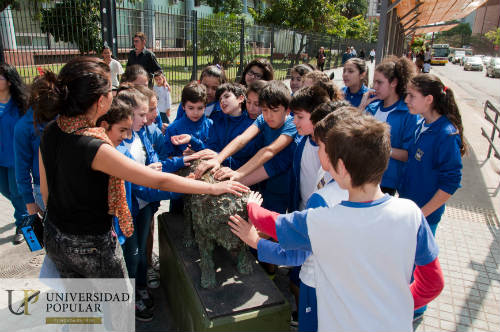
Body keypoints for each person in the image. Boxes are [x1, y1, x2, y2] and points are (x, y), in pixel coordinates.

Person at [36, 57, 248, 279]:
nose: (114, 93)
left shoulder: (52, 129)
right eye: (111, 89)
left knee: (78, 305)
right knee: (114, 307)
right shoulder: (95, 147)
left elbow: (46, 191)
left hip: (55, 234)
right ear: (100, 101)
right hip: (90, 245)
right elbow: (157, 180)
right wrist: (212, 188)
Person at [231, 112, 445, 332]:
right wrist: (401, 304)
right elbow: (433, 283)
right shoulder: (412, 214)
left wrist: (250, 206)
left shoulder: (323, 220)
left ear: (341, 168)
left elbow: (275, 223)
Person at [230, 106, 352, 332]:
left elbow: (296, 254)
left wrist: (255, 239)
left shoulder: (323, 200)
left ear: (337, 156)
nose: (317, 151)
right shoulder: (341, 186)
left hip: (316, 285)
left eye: (321, 147)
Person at [399, 74, 464, 320]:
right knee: (409, 261)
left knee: (421, 263)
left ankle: (417, 309)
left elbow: (451, 183)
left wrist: (422, 213)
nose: (406, 100)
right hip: (411, 210)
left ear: (429, 99)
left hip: (425, 215)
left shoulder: (446, 134)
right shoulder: (420, 124)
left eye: (411, 96)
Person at [196, 81, 296, 214]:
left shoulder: (292, 126)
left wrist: (238, 173)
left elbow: (269, 151)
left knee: (271, 223)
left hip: (281, 187)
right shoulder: (262, 119)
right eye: (265, 110)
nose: (268, 115)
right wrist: (218, 159)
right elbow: (242, 138)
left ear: (287, 110)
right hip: (263, 181)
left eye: (275, 111)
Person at [360, 56, 418, 195]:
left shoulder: (408, 114)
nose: (374, 87)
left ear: (394, 83)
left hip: (387, 182)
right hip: (363, 176)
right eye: (374, 82)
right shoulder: (372, 107)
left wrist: (380, 148)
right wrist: (361, 107)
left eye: (379, 82)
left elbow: (407, 154)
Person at [191, 83, 260, 170]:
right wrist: (193, 142)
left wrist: (220, 157)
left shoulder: (252, 126)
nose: (222, 101)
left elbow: (247, 162)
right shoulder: (216, 118)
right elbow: (210, 148)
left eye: (227, 96)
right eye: (220, 99)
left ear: (240, 98)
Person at [0, 63, 29, 245]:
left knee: (17, 192)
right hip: (0, 157)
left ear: (9, 81)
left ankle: (23, 224)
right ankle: (26, 211)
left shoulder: (20, 104)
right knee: (6, 190)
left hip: (15, 158)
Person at [164, 82, 213, 157]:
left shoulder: (211, 125)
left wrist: (198, 154)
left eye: (200, 108)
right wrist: (182, 158)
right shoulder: (172, 129)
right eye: (191, 108)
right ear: (183, 106)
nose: (195, 113)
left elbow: (216, 152)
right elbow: (167, 157)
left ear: (205, 106)